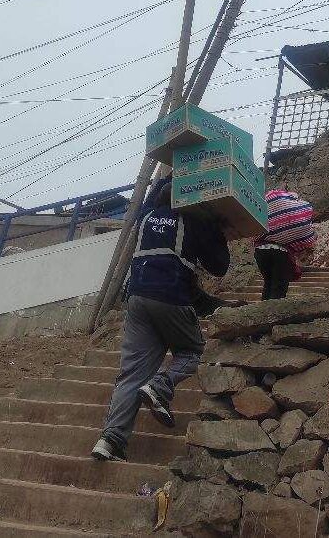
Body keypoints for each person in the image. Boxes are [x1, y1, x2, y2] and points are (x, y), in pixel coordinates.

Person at [92, 177, 229, 462]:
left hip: (137, 300)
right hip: (171, 297)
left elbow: (156, 194)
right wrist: (217, 228)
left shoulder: (146, 218)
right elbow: (219, 267)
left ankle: (110, 440)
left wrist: (173, 173)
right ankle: (160, 386)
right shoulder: (193, 222)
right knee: (193, 352)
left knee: (131, 373)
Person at [254, 188, 316, 300]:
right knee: (278, 287)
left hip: (261, 252)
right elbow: (307, 236)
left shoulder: (270, 199)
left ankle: (263, 312)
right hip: (280, 253)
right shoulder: (295, 210)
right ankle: (273, 314)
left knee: (268, 284)